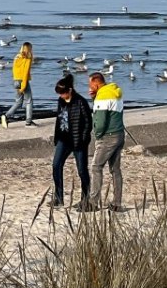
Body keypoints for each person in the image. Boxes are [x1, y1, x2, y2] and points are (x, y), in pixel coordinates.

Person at [52, 74, 92, 208]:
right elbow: (59, 119)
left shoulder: (80, 102)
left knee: (82, 170)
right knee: (56, 165)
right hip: (63, 139)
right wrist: (56, 137)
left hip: (78, 141)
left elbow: (88, 122)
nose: (61, 96)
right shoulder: (60, 102)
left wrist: (84, 139)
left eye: (62, 93)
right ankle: (58, 198)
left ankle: (85, 199)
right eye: (59, 93)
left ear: (69, 90)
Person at [87, 71, 126, 212]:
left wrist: (97, 134)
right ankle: (117, 203)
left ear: (96, 83)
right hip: (119, 134)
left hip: (107, 136)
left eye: (90, 84)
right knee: (115, 169)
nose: (89, 88)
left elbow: (101, 120)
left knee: (96, 167)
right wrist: (94, 98)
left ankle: (93, 202)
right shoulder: (115, 92)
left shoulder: (103, 96)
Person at [2, 41, 36, 127]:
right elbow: (25, 73)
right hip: (23, 81)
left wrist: (17, 82)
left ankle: (6, 116)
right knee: (29, 101)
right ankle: (28, 122)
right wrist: (23, 86)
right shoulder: (27, 59)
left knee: (18, 102)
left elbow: (13, 70)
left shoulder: (17, 57)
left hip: (16, 80)